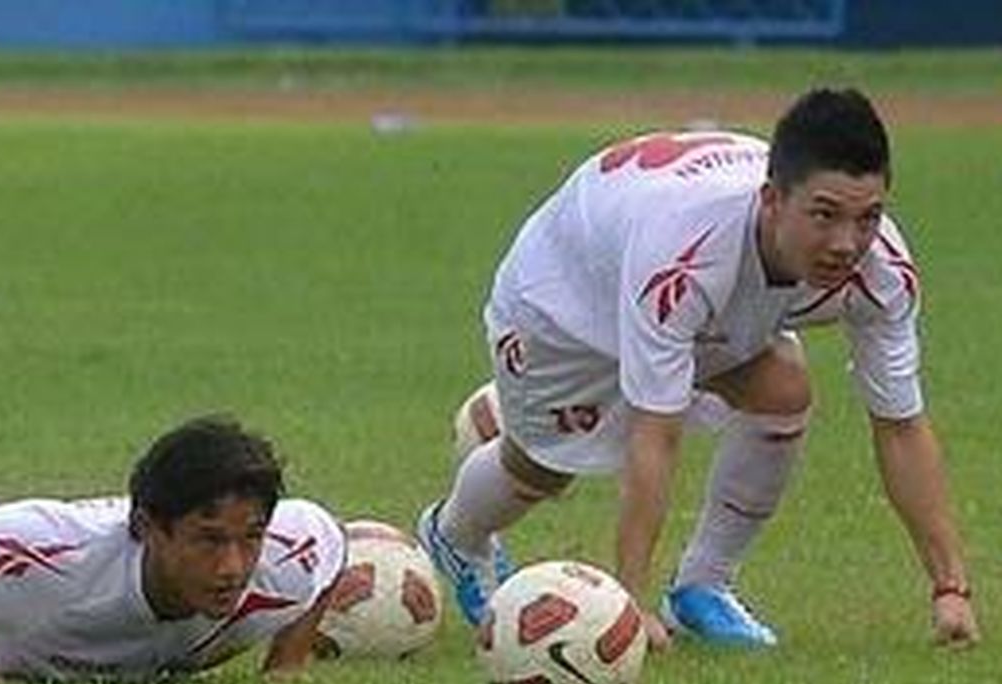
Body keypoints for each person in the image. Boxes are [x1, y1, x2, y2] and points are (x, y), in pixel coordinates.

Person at [417, 88, 979, 650]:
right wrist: (627, 609)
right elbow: (655, 434)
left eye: (868, 217)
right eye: (825, 215)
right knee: (541, 468)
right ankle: (456, 537)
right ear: (773, 199)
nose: (847, 243)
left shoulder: (883, 272)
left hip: (694, 298)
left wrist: (950, 588)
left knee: (782, 388)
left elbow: (901, 426)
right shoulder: (685, 253)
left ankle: (701, 587)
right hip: (567, 297)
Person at [0, 414, 347, 684]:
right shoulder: (47, 553)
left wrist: (286, 664)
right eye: (207, 541)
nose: (233, 567)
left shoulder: (287, 554)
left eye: (249, 537)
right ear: (148, 527)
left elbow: (330, 542)